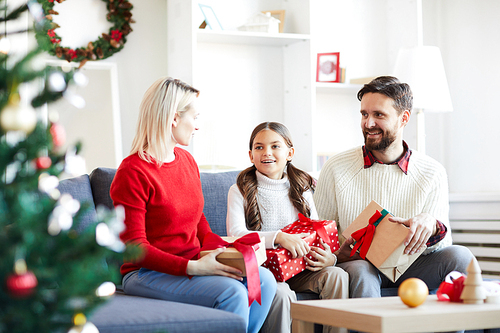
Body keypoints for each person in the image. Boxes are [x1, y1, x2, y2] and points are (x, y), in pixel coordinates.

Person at [110, 77, 276, 333]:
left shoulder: (186, 160)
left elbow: (198, 219)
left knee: (264, 280)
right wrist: (192, 267)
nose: (197, 126)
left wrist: (219, 249)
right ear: (174, 118)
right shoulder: (133, 171)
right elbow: (134, 248)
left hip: (192, 261)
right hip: (146, 273)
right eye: (195, 117)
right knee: (232, 292)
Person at [314, 76, 474, 298]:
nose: (368, 124)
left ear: (403, 118)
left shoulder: (432, 171)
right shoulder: (336, 167)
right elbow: (319, 231)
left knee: (461, 256)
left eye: (379, 115)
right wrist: (337, 253)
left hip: (415, 267)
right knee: (361, 270)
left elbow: (443, 245)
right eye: (364, 114)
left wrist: (432, 225)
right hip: (358, 265)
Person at [226, 121, 348, 333]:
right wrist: (279, 237)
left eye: (275, 146)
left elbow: (316, 231)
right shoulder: (239, 190)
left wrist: (330, 258)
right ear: (250, 155)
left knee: (337, 275)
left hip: (299, 269)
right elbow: (236, 234)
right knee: (282, 294)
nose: (267, 152)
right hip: (264, 273)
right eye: (259, 147)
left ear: (290, 152)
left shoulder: (302, 188)